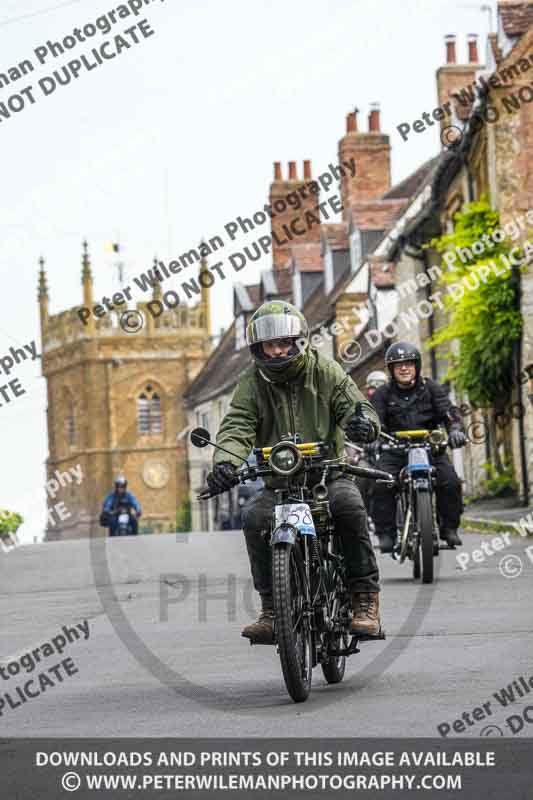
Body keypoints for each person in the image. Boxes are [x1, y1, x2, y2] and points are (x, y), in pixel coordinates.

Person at [206, 301, 382, 643]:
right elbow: (238, 423)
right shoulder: (251, 383)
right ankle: (272, 609)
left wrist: (362, 424)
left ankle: (364, 599)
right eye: (269, 345)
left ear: (299, 341)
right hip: (280, 484)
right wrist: (226, 463)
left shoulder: (324, 370)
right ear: (258, 348)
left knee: (349, 508)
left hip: (327, 477)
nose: (276, 350)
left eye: (283, 342)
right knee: (254, 518)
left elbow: (354, 404)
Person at [370, 341, 466, 553]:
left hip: (430, 449)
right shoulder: (382, 394)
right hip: (395, 450)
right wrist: (374, 435)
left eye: (408, 364)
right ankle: (386, 533)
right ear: (391, 370)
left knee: (450, 481)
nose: (404, 368)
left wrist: (456, 429)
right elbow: (374, 420)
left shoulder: (431, 388)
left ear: (417, 366)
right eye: (398, 365)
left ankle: (449, 528)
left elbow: (449, 413)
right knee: (380, 483)